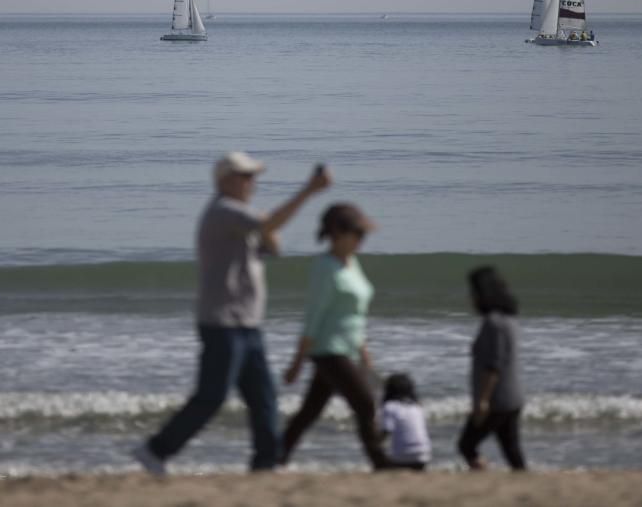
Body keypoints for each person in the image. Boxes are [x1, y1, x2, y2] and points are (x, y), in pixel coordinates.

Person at [133, 152, 331, 475]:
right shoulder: (223, 211)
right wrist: (308, 191)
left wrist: (268, 225)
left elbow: (274, 246)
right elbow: (267, 226)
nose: (253, 183)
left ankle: (266, 464)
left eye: (254, 177)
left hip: (248, 324)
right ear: (225, 181)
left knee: (264, 399)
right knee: (211, 397)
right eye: (246, 176)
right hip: (222, 323)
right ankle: (155, 450)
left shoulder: (241, 216)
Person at [280, 203, 393, 469]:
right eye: (358, 234)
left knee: (309, 412)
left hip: (348, 350)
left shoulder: (352, 263)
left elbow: (355, 313)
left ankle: (275, 457)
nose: (362, 240)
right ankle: (381, 463)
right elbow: (313, 317)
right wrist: (297, 362)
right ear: (337, 233)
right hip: (328, 350)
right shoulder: (325, 267)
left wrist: (364, 353)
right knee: (365, 403)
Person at [457, 266, 527, 471]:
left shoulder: (493, 323)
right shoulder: (510, 320)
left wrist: (482, 402)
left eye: (473, 291)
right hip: (513, 398)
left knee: (466, 444)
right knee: (511, 449)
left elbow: (493, 366)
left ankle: (482, 474)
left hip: (498, 402)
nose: (470, 296)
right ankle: (526, 482)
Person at [380, 373, 431, 470]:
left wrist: (375, 443)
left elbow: (386, 432)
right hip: (424, 454)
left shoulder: (390, 407)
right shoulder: (417, 407)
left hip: (401, 457)